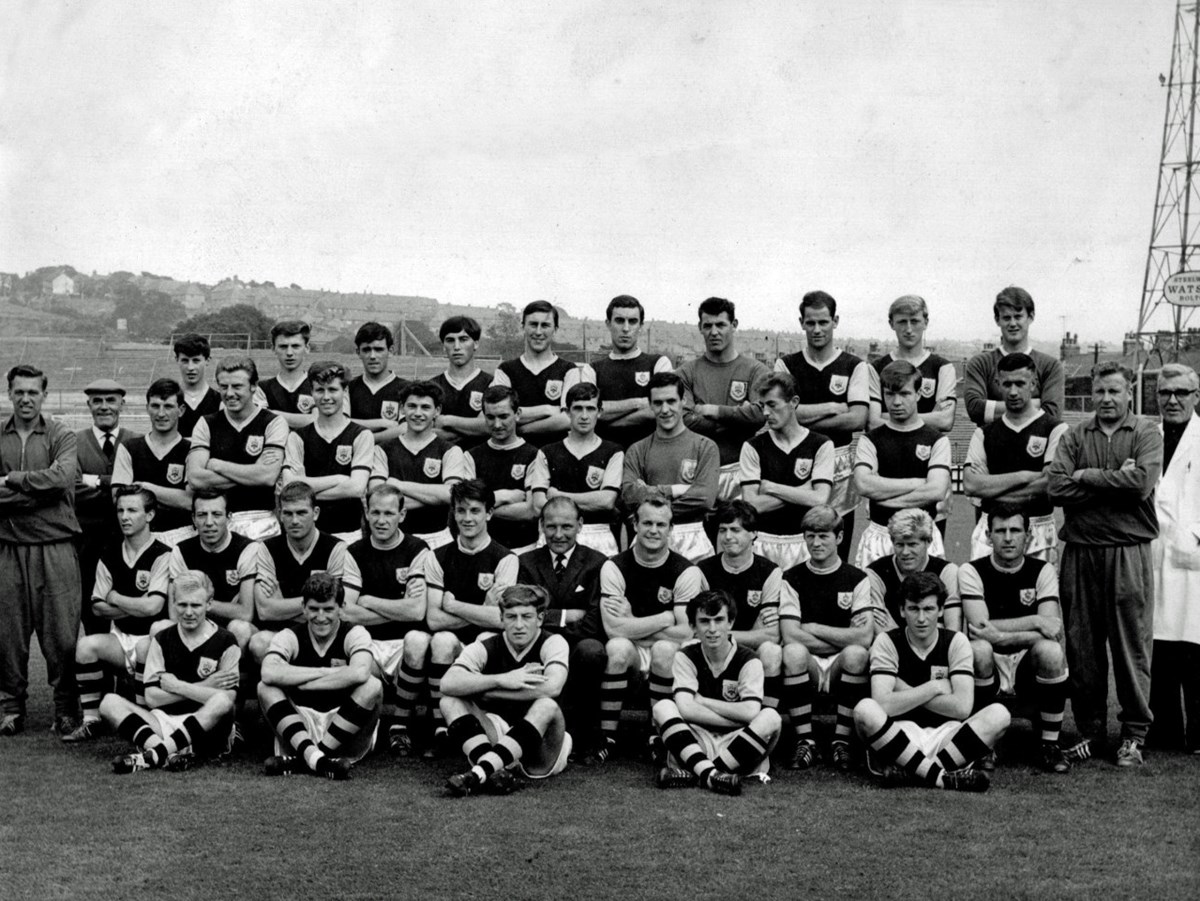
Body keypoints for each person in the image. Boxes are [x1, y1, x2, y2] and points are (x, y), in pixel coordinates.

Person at [1047, 362, 1162, 766]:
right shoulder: (1076, 433)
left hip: (1128, 552)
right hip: (1080, 551)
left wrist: (1088, 476)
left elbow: (1140, 484)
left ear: (1129, 391)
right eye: (1100, 392)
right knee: (1082, 647)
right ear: (1091, 393)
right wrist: (1114, 478)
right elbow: (1056, 486)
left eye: (1115, 391)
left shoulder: (1146, 432)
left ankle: (1134, 735)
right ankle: (1091, 732)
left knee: (1131, 645)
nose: (1107, 399)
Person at [854, 572, 1009, 792]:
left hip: (947, 736)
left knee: (999, 714)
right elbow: (883, 705)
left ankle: (913, 772)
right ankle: (942, 777)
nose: (921, 618)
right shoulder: (887, 641)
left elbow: (962, 707)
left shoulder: (956, 641)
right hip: (899, 734)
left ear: (941, 610)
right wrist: (933, 688)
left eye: (928, 609)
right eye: (913, 609)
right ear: (901, 610)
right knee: (865, 709)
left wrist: (904, 690)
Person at [0, 364, 81, 737]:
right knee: (8, 632)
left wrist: (14, 482)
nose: (26, 398)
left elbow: (63, 479)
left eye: (33, 392)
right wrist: (39, 493)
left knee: (62, 634)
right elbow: (47, 489)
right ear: (9, 393)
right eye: (19, 392)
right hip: (9, 546)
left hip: (55, 545)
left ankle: (65, 707)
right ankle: (11, 707)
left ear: (44, 395)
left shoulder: (61, 433)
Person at [959, 507, 1071, 773]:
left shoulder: (1042, 570)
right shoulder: (971, 571)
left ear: (1028, 536)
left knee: (1051, 651)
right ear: (988, 536)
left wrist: (999, 634)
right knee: (979, 649)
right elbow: (979, 627)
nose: (1008, 538)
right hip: (992, 660)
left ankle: (1049, 745)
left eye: (1015, 531)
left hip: (1025, 661)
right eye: (1000, 531)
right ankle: (984, 745)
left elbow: (1052, 628)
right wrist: (1034, 622)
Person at [101, 570, 240, 773]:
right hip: (165, 722)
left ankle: (156, 753)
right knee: (109, 703)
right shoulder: (162, 639)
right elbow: (152, 698)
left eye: (196, 605)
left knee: (221, 702)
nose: (189, 612)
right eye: (182, 605)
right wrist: (204, 688)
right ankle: (168, 753)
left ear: (209, 604)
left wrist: (178, 686)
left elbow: (227, 698)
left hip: (206, 726)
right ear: (174, 604)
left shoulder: (226, 641)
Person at [62, 485, 171, 743]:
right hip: (122, 638)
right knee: (86, 646)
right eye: (121, 510)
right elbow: (97, 606)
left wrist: (115, 597)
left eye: (133, 510)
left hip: (154, 642)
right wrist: (132, 605)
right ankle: (91, 721)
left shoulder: (163, 554)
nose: (124, 516)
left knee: (145, 645)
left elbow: (153, 608)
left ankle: (143, 718)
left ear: (150, 515)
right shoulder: (109, 555)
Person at [442, 584, 572, 796]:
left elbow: (553, 687)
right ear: (501, 618)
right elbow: (448, 683)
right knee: (449, 701)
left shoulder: (553, 641)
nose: (519, 625)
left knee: (546, 704)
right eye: (511, 617)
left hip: (541, 746)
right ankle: (492, 772)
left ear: (540, 618)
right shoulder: (487, 643)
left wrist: (489, 691)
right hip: (498, 732)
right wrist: (504, 679)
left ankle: (478, 773)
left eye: (526, 616)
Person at [597, 497, 701, 756]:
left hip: (668, 653)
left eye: (661, 524)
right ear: (635, 525)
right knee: (617, 647)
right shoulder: (614, 566)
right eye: (647, 523)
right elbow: (613, 630)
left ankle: (658, 734)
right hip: (632, 651)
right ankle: (607, 738)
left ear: (671, 528)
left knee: (665, 649)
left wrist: (631, 621)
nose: (654, 530)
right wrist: (665, 618)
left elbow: (686, 633)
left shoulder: (686, 571)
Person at [652, 589, 781, 795]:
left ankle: (700, 772)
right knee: (663, 707)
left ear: (730, 623)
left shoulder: (749, 660)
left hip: (737, 742)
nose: (712, 629)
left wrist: (704, 701)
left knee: (771, 717)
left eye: (719, 620)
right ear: (693, 626)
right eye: (704, 621)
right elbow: (685, 709)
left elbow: (750, 711)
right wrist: (736, 716)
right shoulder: (686, 656)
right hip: (697, 740)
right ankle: (713, 776)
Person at [424, 479, 520, 749]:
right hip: (453, 640)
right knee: (441, 640)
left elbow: (501, 620)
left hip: (486, 642)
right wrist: (482, 609)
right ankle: (441, 728)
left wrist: (454, 606)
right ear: (453, 513)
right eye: (461, 511)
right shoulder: (437, 557)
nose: (467, 518)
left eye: (475, 511)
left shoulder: (505, 559)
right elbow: (433, 619)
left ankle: (478, 726)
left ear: (489, 513)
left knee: (487, 637)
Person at [258, 572, 382, 779]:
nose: (321, 617)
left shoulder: (355, 633)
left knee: (372, 685)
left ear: (342, 608)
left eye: (328, 609)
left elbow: (360, 672)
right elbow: (268, 672)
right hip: (299, 725)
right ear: (303, 608)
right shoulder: (290, 636)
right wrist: (325, 672)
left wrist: (302, 680)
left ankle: (308, 758)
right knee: (265, 687)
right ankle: (319, 760)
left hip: (345, 727)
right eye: (314, 609)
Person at [778, 505, 873, 771]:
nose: (816, 542)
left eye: (824, 536)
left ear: (840, 538)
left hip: (840, 663)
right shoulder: (791, 577)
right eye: (810, 536)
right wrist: (844, 636)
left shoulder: (858, 578)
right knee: (793, 652)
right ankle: (805, 740)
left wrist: (815, 627)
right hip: (808, 663)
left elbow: (864, 638)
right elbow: (789, 634)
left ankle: (840, 741)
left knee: (857, 654)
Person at [775, 291, 869, 560]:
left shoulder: (854, 366)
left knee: (835, 543)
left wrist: (799, 413)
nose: (817, 329)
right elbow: (780, 414)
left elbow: (857, 419)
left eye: (823, 322)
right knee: (797, 544)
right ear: (801, 322)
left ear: (835, 321)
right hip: (796, 461)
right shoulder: (787, 364)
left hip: (839, 463)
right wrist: (830, 407)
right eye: (811, 322)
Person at [517, 496, 609, 764]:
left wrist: (550, 623)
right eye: (551, 527)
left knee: (591, 650)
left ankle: (587, 737)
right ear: (541, 526)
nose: (559, 535)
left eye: (567, 527)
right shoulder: (525, 562)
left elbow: (594, 621)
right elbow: (524, 614)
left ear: (580, 525)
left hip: (579, 644)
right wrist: (568, 615)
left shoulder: (597, 563)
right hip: (537, 643)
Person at [341, 483, 431, 756]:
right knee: (349, 648)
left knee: (418, 640)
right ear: (367, 514)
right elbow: (346, 612)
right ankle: (364, 729)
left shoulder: (418, 549)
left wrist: (368, 600)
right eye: (376, 513)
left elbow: (416, 612)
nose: (381, 520)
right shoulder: (353, 551)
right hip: (368, 644)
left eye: (389, 513)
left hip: (404, 644)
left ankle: (399, 726)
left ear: (402, 515)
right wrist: (397, 605)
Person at [963, 352, 1067, 562]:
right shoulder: (983, 433)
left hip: (1038, 528)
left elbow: (1049, 484)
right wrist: (1024, 476)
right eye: (1007, 384)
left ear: (1034, 383)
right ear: (997, 383)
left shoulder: (1055, 429)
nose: (1012, 391)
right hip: (993, 527)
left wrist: (990, 491)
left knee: (1037, 593)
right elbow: (971, 485)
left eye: (1020, 383)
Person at [853, 360, 951, 567]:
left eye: (904, 394)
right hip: (881, 535)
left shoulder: (937, 440)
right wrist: (919, 483)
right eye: (890, 394)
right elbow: (863, 485)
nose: (896, 402)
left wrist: (884, 499)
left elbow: (936, 490)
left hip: (922, 538)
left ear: (918, 394)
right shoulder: (870, 439)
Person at [1149, 363, 1200, 753]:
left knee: (1194, 646)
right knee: (1159, 646)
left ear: (1195, 396)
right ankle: (1163, 730)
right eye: (1165, 392)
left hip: (1192, 555)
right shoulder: (1148, 436)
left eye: (1181, 393)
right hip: (1153, 553)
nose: (1172, 400)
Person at [250, 482, 356, 661]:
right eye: (288, 513)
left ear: (315, 513)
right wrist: (316, 603)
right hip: (284, 633)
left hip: (324, 634)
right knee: (259, 642)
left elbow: (336, 607)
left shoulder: (336, 548)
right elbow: (265, 611)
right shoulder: (266, 549)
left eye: (301, 512)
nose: (295, 520)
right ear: (279, 515)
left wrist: (281, 604)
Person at [677, 297, 769, 501]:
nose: (714, 332)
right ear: (700, 327)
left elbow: (759, 415)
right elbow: (684, 419)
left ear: (734, 325)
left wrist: (711, 410)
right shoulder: (686, 373)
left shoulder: (756, 370)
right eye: (708, 326)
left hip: (743, 471)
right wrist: (738, 418)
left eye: (721, 325)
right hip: (697, 471)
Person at [621, 372, 719, 562]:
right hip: (650, 534)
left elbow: (704, 498)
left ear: (683, 400)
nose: (665, 409)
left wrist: (649, 493)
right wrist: (673, 490)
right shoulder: (637, 449)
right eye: (658, 403)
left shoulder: (705, 446)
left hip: (691, 538)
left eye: (671, 401)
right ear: (650, 405)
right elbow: (629, 495)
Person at [740, 372, 834, 570]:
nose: (765, 412)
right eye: (762, 405)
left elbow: (819, 500)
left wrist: (772, 487)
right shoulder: (752, 446)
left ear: (794, 402)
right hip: (762, 544)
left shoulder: (821, 444)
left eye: (772, 405)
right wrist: (803, 490)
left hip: (803, 543)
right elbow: (751, 506)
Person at [186, 356, 287, 541]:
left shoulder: (273, 422)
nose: (230, 393)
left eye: (237, 386)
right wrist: (252, 471)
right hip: (218, 520)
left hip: (262, 521)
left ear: (254, 386)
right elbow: (195, 478)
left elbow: (267, 477)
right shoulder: (206, 423)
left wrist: (217, 465)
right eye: (224, 387)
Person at [696, 501, 783, 712]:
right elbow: (698, 629)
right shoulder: (703, 570)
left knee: (771, 651)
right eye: (723, 530)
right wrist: (753, 631)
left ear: (753, 533)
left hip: (749, 652)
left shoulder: (770, 572)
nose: (727, 537)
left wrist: (720, 632)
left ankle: (765, 718)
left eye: (735, 530)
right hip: (713, 650)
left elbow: (771, 635)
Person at [281, 361, 374, 540]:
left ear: (344, 392)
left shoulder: (361, 435)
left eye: (332, 390)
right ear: (311, 393)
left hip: (349, 533)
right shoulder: (297, 437)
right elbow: (289, 487)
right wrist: (340, 480)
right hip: (309, 536)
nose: (326, 397)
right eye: (319, 390)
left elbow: (356, 488)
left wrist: (305, 487)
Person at [372, 381, 468, 550]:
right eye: (412, 406)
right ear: (402, 408)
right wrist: (433, 498)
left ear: (437, 411)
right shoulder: (383, 449)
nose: (418, 413)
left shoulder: (450, 451)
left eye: (425, 407)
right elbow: (379, 498)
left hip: (436, 538)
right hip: (394, 538)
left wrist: (397, 485)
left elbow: (450, 494)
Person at [75, 378, 138, 634]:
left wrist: (96, 480)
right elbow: (73, 489)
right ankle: (99, 673)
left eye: (111, 400)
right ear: (88, 404)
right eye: (97, 401)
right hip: (87, 544)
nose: (104, 407)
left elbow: (142, 488)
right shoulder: (74, 441)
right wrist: (120, 486)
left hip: (128, 542)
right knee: (93, 612)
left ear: (122, 404)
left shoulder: (136, 440)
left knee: (131, 612)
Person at [532, 382, 623, 556]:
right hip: (556, 535)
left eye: (590, 409)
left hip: (598, 535)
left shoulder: (613, 451)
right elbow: (538, 505)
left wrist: (558, 496)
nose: (584, 415)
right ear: (567, 412)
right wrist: (588, 501)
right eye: (577, 408)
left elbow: (606, 501)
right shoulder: (547, 452)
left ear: (600, 412)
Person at [491, 300, 592, 446]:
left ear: (555, 329)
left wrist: (521, 429)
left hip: (555, 455)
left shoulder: (569, 370)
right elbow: (498, 414)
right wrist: (547, 409)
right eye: (533, 324)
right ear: (523, 327)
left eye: (545, 325)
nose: (538, 332)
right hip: (515, 454)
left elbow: (568, 419)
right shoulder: (505, 370)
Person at [167, 491, 260, 650]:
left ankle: (233, 674)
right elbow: (175, 613)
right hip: (196, 625)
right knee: (161, 627)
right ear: (193, 519)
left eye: (216, 514)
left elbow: (245, 613)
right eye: (202, 515)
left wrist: (199, 602)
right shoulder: (181, 551)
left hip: (232, 628)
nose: (209, 522)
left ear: (228, 517)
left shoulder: (247, 548)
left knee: (240, 628)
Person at [964, 286, 1065, 427]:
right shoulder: (980, 363)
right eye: (1006, 318)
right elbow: (975, 409)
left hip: (1037, 446)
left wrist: (992, 408)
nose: (1012, 324)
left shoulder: (1050, 366)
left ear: (1031, 317)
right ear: (997, 320)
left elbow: (1051, 413)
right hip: (992, 446)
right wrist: (1036, 403)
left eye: (1018, 317)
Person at [463, 385, 544, 555]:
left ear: (518, 414)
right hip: (482, 550)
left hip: (523, 549)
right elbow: (467, 506)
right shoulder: (471, 456)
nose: (497, 424)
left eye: (503, 416)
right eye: (490, 417)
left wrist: (483, 507)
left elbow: (531, 511)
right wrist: (505, 496)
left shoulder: (534, 455)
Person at [111, 378, 194, 543]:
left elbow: (190, 501)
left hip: (182, 536)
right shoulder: (129, 448)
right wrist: (172, 497)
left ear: (181, 410)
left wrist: (145, 488)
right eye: (155, 406)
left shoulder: (191, 449)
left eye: (169, 406)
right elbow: (118, 497)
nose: (161, 413)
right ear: (147, 408)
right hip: (139, 538)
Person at [591, 295, 672, 449]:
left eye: (633, 321)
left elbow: (662, 408)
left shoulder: (659, 363)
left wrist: (606, 419)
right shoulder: (593, 369)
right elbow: (588, 411)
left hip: (649, 455)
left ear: (641, 325)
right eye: (620, 321)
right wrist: (639, 403)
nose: (626, 328)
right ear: (608, 324)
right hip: (606, 457)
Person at [868, 295, 957, 433]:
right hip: (885, 451)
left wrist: (886, 416)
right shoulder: (875, 368)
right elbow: (872, 423)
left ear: (925, 323)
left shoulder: (943, 368)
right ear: (891, 324)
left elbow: (945, 421)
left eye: (914, 321)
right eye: (902, 322)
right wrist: (931, 417)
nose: (909, 329)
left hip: (929, 451)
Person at [866, 508, 961, 633]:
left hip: (938, 651)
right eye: (900, 545)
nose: (905, 552)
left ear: (928, 542)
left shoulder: (947, 572)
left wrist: (896, 632)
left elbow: (953, 633)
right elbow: (880, 633)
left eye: (912, 544)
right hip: (891, 651)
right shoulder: (875, 573)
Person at [431, 315, 492, 445]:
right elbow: (424, 432)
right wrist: (472, 429)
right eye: (450, 340)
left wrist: (446, 421)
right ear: (443, 346)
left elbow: (490, 426)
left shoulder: (491, 383)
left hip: (479, 461)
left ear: (475, 344)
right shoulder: (431, 386)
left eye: (463, 339)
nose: (457, 347)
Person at [348, 321, 409, 442]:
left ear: (390, 351)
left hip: (392, 458)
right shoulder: (348, 388)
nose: (372, 356)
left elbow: (406, 428)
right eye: (366, 350)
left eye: (378, 349)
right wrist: (383, 423)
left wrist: (367, 440)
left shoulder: (407, 388)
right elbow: (339, 424)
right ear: (358, 353)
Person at [258, 319, 317, 429]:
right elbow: (258, 421)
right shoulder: (261, 389)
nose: (289, 353)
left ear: (307, 348)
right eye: (283, 347)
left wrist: (271, 414)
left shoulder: (318, 385)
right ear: (273, 349)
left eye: (295, 346)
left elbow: (318, 422)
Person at [174, 333, 222, 439]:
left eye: (196, 360)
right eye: (185, 360)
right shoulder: (169, 400)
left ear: (207, 360)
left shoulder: (220, 401)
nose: (190, 367)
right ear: (176, 360)